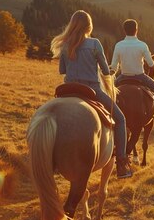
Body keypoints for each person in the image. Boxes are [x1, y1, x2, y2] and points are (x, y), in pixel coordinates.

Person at [52, 10, 132, 179]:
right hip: (92, 90)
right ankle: (122, 164)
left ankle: (53, 159)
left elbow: (62, 70)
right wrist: (108, 70)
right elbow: (105, 70)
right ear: (89, 26)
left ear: (72, 25)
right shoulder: (95, 44)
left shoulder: (65, 45)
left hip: (68, 89)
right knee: (121, 119)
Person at [110, 19, 154, 125]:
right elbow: (151, 65)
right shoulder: (142, 45)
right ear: (136, 30)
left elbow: (114, 67)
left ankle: (107, 114)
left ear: (124, 31)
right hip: (140, 76)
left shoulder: (118, 45)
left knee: (109, 93)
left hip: (123, 77)